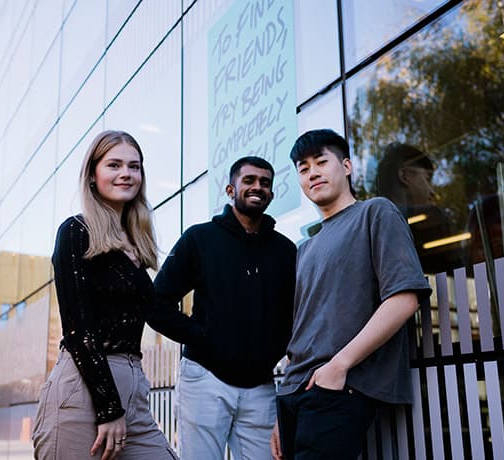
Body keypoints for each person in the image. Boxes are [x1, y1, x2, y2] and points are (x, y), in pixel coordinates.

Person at [271, 129, 431, 460]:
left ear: (346, 167)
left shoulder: (376, 212)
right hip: (294, 391)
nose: (312, 172)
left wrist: (339, 365)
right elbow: (302, 328)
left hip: (339, 386)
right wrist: (284, 401)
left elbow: (405, 297)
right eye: (303, 168)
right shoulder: (305, 247)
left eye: (320, 161)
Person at [32, 130, 177, 460]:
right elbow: (78, 327)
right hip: (84, 389)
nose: (126, 173)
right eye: (114, 165)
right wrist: (108, 407)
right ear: (93, 175)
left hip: (134, 387)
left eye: (134, 166)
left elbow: (158, 313)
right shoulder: (76, 232)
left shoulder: (135, 246)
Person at [148, 156, 296, 460]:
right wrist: (201, 336)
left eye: (265, 183)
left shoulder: (285, 251)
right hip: (205, 379)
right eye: (249, 181)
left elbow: (296, 314)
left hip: (260, 386)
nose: (258, 187)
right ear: (231, 189)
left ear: (271, 194)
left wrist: (276, 350)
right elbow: (156, 303)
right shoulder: (200, 239)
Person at [375, 142, 460, 274]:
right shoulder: (434, 218)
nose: (432, 192)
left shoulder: (371, 229)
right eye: (427, 179)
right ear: (404, 176)